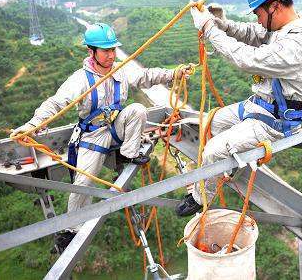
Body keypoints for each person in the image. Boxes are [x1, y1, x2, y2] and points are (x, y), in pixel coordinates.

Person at [11, 23, 190, 249]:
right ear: (91, 51)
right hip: (93, 134)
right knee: (84, 182)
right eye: (106, 51)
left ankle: (129, 153)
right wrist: (33, 124)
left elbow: (145, 76)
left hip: (116, 126)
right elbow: (56, 103)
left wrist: (173, 74)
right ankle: (70, 230)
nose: (111, 55)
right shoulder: (80, 79)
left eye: (113, 50)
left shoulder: (120, 70)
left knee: (137, 110)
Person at [175, 0, 302, 216]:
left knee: (213, 150)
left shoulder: (298, 44)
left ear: (274, 6)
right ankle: (224, 167)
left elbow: (246, 58)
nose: (257, 18)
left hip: (276, 123)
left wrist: (209, 29)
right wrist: (220, 23)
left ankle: (201, 197)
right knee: (208, 125)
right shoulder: (282, 28)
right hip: (260, 106)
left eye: (258, 12)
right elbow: (251, 33)